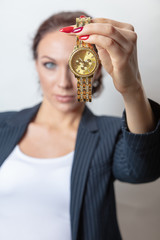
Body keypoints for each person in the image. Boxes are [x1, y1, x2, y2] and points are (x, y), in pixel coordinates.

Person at [0, 10, 160, 240]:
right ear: (36, 64)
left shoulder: (110, 134)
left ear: (96, 69)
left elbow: (143, 170)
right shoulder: (2, 125)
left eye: (79, 65)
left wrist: (132, 88)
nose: (64, 83)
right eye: (50, 64)